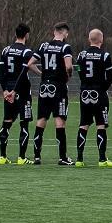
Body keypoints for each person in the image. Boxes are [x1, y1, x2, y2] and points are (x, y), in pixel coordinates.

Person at [33, 22, 75, 166]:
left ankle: (37, 156)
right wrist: (69, 75)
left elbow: (30, 63)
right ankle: (62, 157)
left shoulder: (44, 46)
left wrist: (42, 74)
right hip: (58, 86)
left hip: (45, 86)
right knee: (59, 120)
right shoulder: (65, 47)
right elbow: (68, 66)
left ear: (54, 31)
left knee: (41, 119)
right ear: (64, 33)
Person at [0, 24, 40, 165]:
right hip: (21, 90)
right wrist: (15, 90)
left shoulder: (6, 50)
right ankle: (22, 157)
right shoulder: (27, 52)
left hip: (8, 89)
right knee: (24, 124)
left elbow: (0, 72)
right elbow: (23, 73)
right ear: (26, 34)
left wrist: (5, 90)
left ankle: (2, 157)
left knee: (7, 122)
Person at [75, 29, 112, 168]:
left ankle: (79, 159)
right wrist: (102, 89)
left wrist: (85, 85)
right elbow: (110, 77)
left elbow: (79, 72)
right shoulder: (105, 55)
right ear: (101, 40)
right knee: (101, 125)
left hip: (84, 93)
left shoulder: (81, 55)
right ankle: (102, 159)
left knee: (83, 125)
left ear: (89, 39)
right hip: (99, 93)